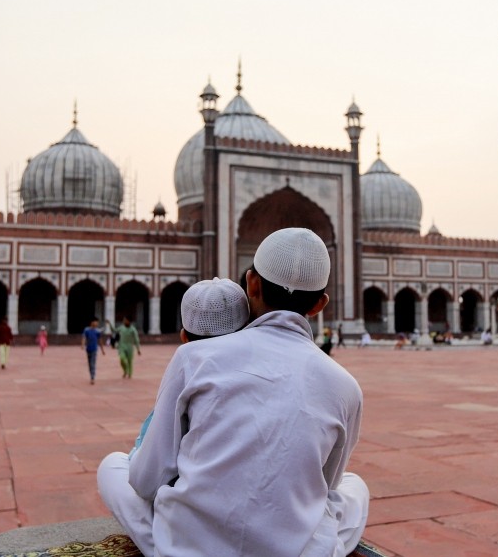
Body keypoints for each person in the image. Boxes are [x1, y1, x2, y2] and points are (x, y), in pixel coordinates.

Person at [97, 227, 368, 557]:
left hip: (187, 548)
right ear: (320, 304)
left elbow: (145, 480)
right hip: (294, 550)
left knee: (113, 466)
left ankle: (165, 544)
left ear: (251, 284)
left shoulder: (193, 357)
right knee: (354, 488)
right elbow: (326, 485)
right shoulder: (345, 385)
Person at [104, 278, 251, 494]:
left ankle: (158, 527)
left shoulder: (188, 361)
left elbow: (146, 481)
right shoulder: (282, 364)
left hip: (201, 504)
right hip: (269, 504)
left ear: (184, 337)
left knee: (113, 465)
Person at [82, 317, 107, 384]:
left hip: (94, 349)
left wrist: (102, 350)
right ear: (92, 322)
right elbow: (84, 337)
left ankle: (92, 377)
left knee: (93, 363)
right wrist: (83, 345)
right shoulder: (86, 330)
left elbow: (100, 340)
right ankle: (91, 375)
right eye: (96, 322)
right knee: (90, 364)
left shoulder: (97, 331)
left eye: (97, 322)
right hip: (88, 349)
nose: (97, 323)